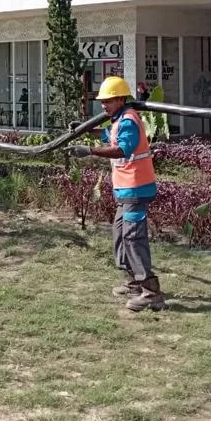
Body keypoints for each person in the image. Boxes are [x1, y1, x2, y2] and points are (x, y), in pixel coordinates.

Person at [66, 77, 165, 312]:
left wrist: (88, 151)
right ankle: (134, 283)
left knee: (132, 237)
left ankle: (151, 292)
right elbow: (108, 137)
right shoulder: (118, 120)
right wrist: (84, 128)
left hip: (136, 189)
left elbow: (122, 148)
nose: (104, 105)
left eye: (109, 101)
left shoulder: (129, 121)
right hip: (125, 189)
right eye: (102, 101)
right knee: (120, 235)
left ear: (121, 99)